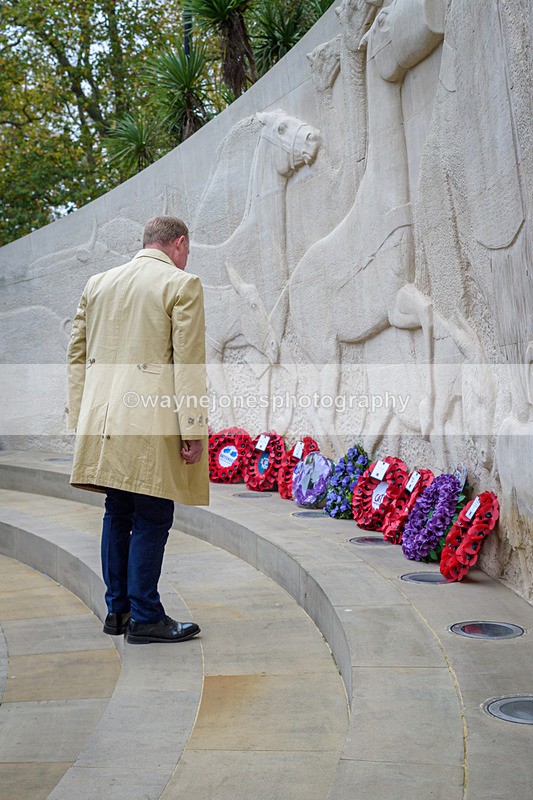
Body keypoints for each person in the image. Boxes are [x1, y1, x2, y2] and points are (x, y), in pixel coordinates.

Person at [66, 216, 208, 644]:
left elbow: (77, 355)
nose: (186, 258)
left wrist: (81, 418)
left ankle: (119, 612)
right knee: (152, 515)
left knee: (117, 510)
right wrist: (193, 429)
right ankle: (146, 616)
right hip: (149, 419)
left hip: (104, 419)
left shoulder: (98, 283)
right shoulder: (182, 285)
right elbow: (188, 364)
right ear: (178, 244)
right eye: (187, 250)